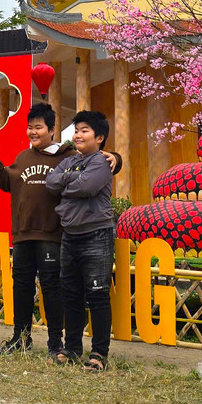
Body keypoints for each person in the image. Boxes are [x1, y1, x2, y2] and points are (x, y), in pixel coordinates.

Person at [0, 103, 121, 357]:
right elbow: (8, 181)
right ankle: (20, 337)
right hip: (23, 232)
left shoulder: (67, 154)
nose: (32, 132)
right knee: (21, 286)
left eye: (38, 127)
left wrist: (116, 157)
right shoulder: (23, 157)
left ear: (52, 130)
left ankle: (55, 342)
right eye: (29, 127)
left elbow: (95, 163)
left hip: (53, 234)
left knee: (53, 289)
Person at [44, 110, 116, 371]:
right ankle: (72, 348)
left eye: (84, 130)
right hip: (70, 236)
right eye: (76, 131)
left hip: (96, 235)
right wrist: (70, 180)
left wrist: (66, 184)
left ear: (99, 137)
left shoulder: (101, 162)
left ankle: (99, 354)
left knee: (97, 295)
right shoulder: (69, 161)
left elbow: (88, 187)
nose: (78, 135)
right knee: (71, 295)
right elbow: (50, 184)